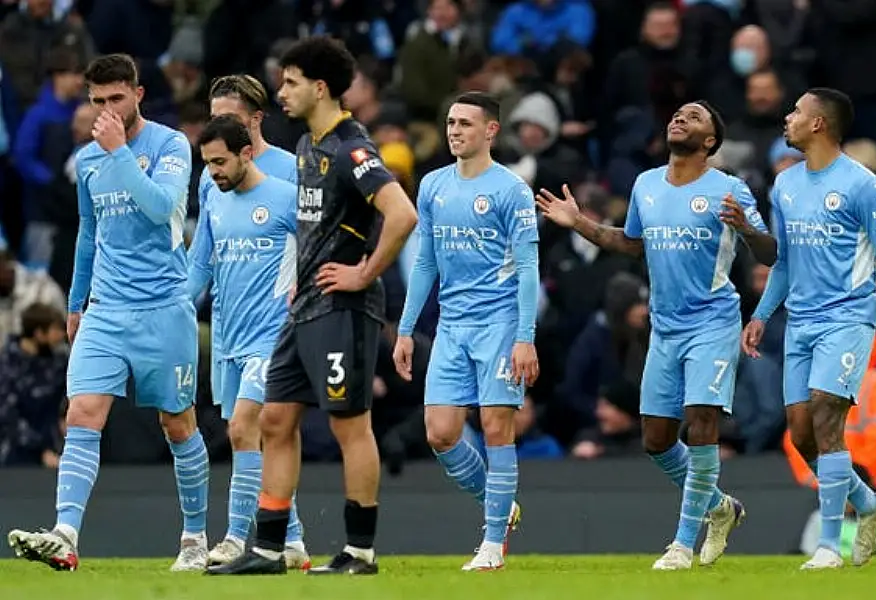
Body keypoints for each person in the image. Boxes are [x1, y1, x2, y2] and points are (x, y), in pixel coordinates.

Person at [206, 35, 418, 576]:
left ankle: (360, 552)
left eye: (291, 82)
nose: (281, 92)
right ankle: (270, 550)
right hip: (304, 310)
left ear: (320, 87)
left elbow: (401, 214)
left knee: (351, 425)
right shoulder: (306, 147)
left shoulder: (352, 147)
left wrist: (363, 272)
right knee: (275, 420)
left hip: (343, 309)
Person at [537, 101, 777, 570]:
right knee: (656, 439)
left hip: (713, 320)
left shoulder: (729, 189)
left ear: (710, 141)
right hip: (665, 326)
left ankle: (682, 545)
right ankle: (720, 507)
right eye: (677, 114)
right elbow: (630, 244)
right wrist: (579, 222)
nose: (679, 118)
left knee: (701, 419)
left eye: (695, 117)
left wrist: (746, 226)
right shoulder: (646, 184)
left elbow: (769, 252)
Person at [7, 53, 207, 572]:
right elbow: (90, 236)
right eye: (97, 102)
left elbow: (163, 207)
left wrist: (119, 152)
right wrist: (76, 303)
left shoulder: (170, 145)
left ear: (138, 94)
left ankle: (194, 538)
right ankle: (65, 533)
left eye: (116, 98)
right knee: (81, 415)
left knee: (178, 424)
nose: (107, 110)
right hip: (107, 310)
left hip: (164, 306)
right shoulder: (89, 159)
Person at [742, 88, 876, 570]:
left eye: (796, 112)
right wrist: (762, 315)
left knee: (828, 419)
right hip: (800, 323)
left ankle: (829, 546)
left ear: (819, 124)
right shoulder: (785, 187)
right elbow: (784, 262)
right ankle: (870, 505)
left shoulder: (863, 185)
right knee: (802, 435)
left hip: (848, 318)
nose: (788, 119)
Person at [392, 92, 540, 571]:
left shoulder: (511, 189)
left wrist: (525, 336)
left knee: (497, 427)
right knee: (440, 433)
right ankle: (500, 505)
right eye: (451, 122)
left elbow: (529, 268)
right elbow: (426, 262)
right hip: (453, 326)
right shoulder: (433, 185)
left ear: (490, 131)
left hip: (499, 323)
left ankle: (493, 545)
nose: (454, 130)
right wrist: (407, 329)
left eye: (465, 124)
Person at [187, 74, 309, 569]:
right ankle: (293, 539)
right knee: (255, 440)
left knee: (247, 428)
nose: (219, 129)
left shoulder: (290, 176)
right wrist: (178, 309)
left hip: (275, 330)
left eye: (230, 120)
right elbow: (202, 258)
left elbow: (315, 245)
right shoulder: (214, 177)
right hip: (228, 330)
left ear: (255, 122)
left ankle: (237, 539)